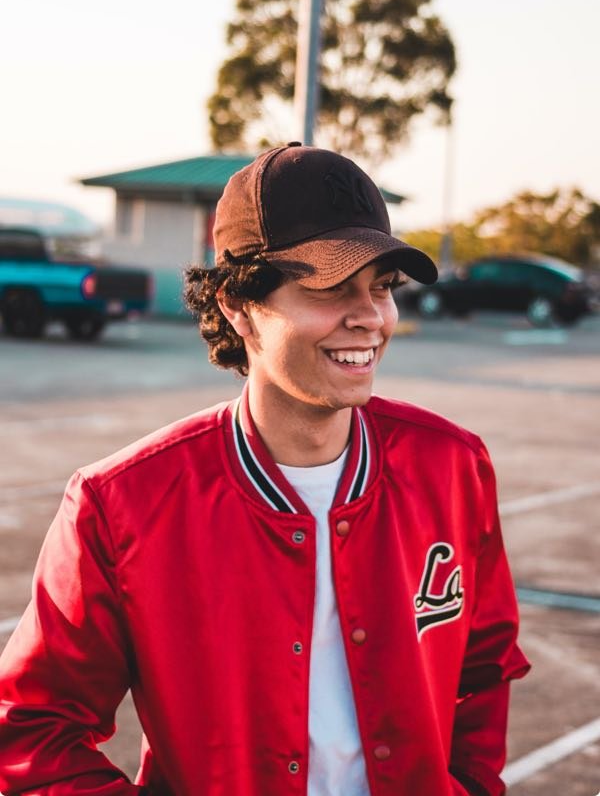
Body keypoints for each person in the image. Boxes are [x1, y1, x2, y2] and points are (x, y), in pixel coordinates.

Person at [0, 143, 529, 796]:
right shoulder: (120, 505)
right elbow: (33, 729)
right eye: (332, 286)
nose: (371, 316)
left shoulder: (452, 467)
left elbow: (484, 670)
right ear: (237, 304)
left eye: (383, 286)